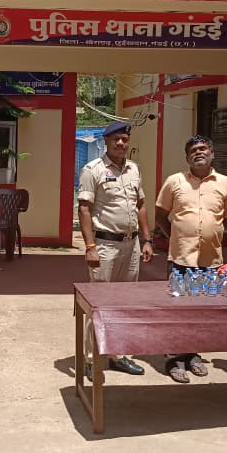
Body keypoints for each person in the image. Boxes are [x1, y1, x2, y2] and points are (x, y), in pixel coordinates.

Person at [155, 135, 227, 383]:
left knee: (201, 312)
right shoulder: (174, 181)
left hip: (210, 262)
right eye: (193, 150)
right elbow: (160, 214)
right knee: (177, 311)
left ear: (212, 154)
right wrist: (175, 237)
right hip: (181, 260)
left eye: (203, 149)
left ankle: (193, 354)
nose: (198, 153)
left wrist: (215, 235)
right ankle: (174, 358)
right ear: (187, 157)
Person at [77, 120, 154, 378]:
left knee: (124, 303)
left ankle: (117, 355)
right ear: (106, 142)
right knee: (99, 303)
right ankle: (92, 359)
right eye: (115, 139)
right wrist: (90, 247)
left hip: (131, 245)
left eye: (124, 139)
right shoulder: (93, 170)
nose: (120, 143)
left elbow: (140, 205)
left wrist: (147, 239)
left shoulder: (134, 169)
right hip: (105, 245)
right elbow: (84, 209)